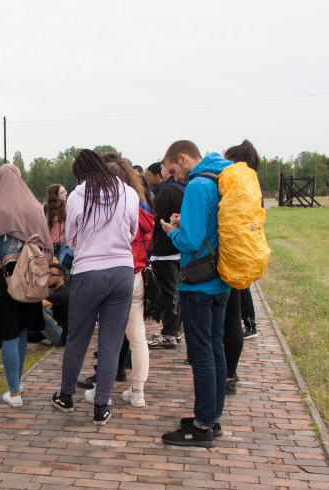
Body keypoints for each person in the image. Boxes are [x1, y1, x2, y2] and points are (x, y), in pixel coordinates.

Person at [50, 149, 138, 426]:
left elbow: (70, 236)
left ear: (81, 174)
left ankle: (66, 396)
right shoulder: (128, 192)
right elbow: (133, 231)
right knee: (111, 342)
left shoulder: (78, 196)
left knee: (79, 336)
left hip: (90, 272)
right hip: (123, 270)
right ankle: (101, 405)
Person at [159, 140, 232, 448]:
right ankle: (211, 418)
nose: (174, 177)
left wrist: (172, 230)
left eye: (173, 170)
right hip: (221, 278)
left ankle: (201, 427)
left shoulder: (197, 184)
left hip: (198, 281)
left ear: (183, 158)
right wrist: (184, 223)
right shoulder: (220, 177)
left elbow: (190, 240)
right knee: (216, 349)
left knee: (201, 354)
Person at [0, 164, 53, 407]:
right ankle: (17, 383)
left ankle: (14, 392)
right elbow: (46, 243)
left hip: (4, 279)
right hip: (30, 277)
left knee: (9, 333)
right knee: (22, 330)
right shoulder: (33, 206)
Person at [99, 158, 154, 408]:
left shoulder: (108, 208)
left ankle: (103, 392)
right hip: (137, 274)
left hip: (114, 273)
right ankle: (138, 390)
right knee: (137, 336)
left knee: (110, 337)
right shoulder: (139, 205)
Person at [220, 140, 263, 394]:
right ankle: (230, 374)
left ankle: (225, 376)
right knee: (233, 318)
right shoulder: (252, 183)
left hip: (229, 256)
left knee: (226, 319)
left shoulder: (234, 181)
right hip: (247, 254)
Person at [149, 162, 186, 349]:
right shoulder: (184, 189)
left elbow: (156, 220)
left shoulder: (167, 191)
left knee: (168, 293)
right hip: (178, 247)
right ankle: (173, 331)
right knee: (174, 292)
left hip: (165, 250)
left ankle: (170, 333)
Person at [40, 262, 71, 346]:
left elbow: (37, 305)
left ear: (61, 278)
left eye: (51, 274)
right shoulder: (61, 291)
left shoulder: (63, 294)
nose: (48, 277)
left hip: (62, 336)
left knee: (36, 311)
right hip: (60, 326)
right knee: (30, 335)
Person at [45, 183, 74, 269]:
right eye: (62, 192)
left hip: (64, 246)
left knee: (62, 271)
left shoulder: (67, 209)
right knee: (51, 272)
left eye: (65, 191)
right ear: (55, 195)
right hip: (49, 247)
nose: (66, 193)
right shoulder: (44, 210)